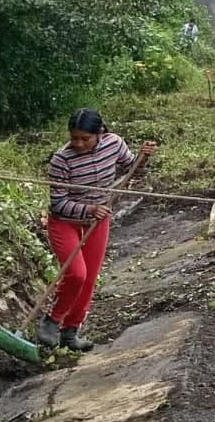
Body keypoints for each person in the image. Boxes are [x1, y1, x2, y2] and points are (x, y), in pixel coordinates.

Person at [41, 108, 155, 352]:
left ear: (100, 133)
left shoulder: (114, 144)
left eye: (85, 138)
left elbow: (130, 167)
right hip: (65, 221)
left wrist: (143, 158)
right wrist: (89, 208)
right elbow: (58, 203)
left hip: (97, 220)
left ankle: (70, 332)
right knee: (76, 274)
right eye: (74, 138)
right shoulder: (61, 160)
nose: (79, 143)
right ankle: (52, 320)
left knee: (90, 279)